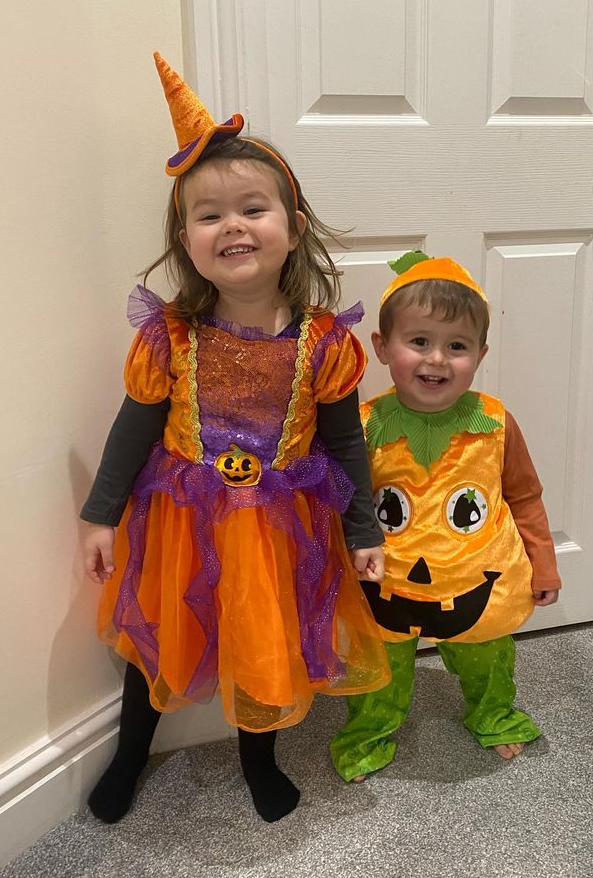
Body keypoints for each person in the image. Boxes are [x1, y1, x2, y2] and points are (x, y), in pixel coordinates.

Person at [80, 53, 389, 824]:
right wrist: (99, 513)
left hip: (281, 527)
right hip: (181, 522)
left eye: (252, 208)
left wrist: (360, 533)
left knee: (265, 642)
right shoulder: (171, 338)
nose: (232, 226)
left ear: (293, 228)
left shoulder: (324, 342)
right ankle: (130, 753)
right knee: (157, 641)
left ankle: (260, 758)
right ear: (185, 238)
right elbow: (132, 428)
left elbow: (346, 443)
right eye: (208, 215)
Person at [330, 252, 561, 782]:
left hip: (477, 576)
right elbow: (348, 508)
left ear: (479, 353)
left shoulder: (495, 422)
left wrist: (543, 565)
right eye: (419, 341)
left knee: (488, 658)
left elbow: (524, 497)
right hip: (387, 577)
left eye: (456, 346)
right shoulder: (362, 426)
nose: (437, 359)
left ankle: (493, 714)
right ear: (382, 348)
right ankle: (367, 733)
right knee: (380, 668)